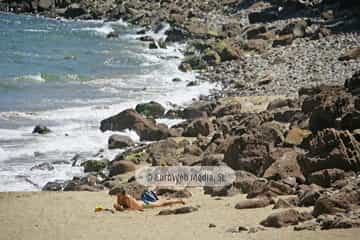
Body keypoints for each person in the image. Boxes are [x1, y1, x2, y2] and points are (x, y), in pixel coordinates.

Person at [113, 188, 185, 211]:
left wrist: (123, 209)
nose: (117, 195)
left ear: (123, 194)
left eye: (119, 194)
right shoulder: (119, 197)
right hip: (140, 202)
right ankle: (170, 200)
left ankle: (179, 200)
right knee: (160, 203)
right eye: (117, 194)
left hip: (144, 204)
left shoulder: (128, 198)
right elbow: (119, 205)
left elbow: (133, 208)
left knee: (161, 203)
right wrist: (117, 207)